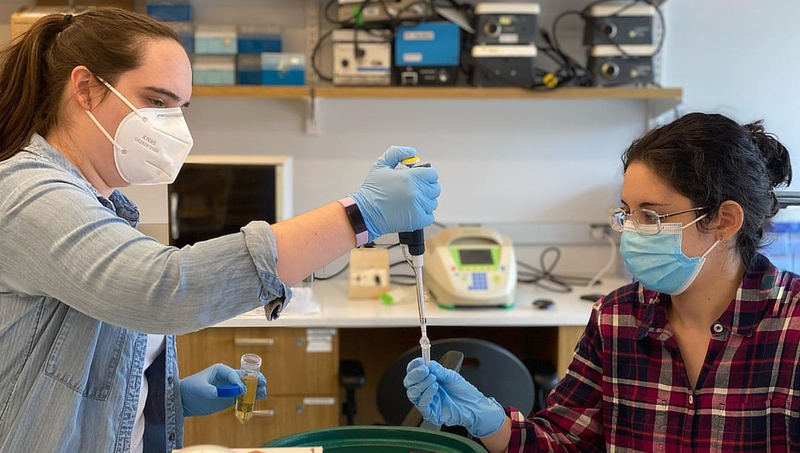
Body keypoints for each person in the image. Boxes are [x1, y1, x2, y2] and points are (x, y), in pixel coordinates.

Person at [0, 8, 440, 453]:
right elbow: (161, 288)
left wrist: (170, 399)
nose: (173, 127)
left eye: (179, 108)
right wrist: (357, 216)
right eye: (157, 102)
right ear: (86, 89)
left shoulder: (102, 205)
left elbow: (76, 371)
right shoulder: (27, 193)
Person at [405, 113, 799, 452]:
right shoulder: (617, 319)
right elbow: (563, 442)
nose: (633, 231)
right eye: (628, 212)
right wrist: (486, 419)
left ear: (725, 221)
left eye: (652, 216)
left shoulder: (791, 326)